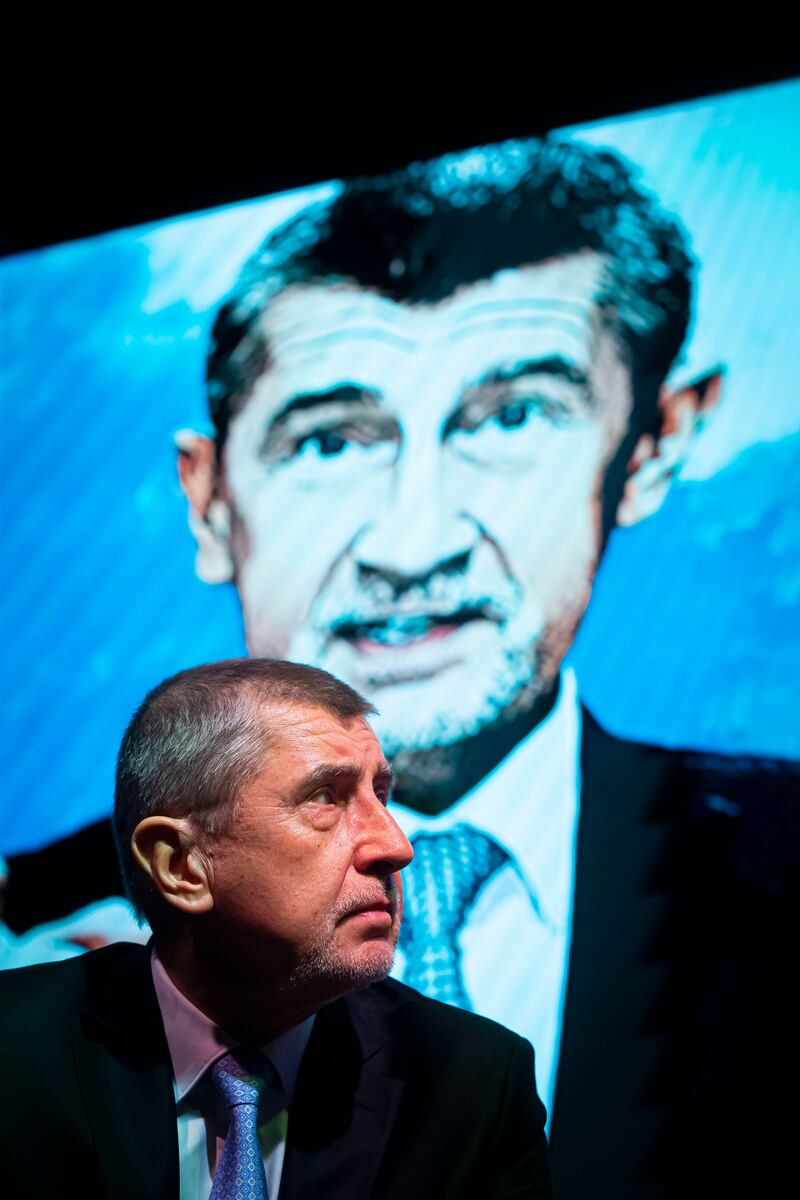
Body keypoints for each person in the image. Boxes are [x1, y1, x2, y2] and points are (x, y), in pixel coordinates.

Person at [6, 139, 782, 1196]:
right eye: (331, 440)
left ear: (646, 449)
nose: (411, 543)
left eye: (511, 418)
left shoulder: (762, 876)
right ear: (208, 498)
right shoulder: (26, 943)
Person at [0, 658, 553, 1199]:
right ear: (180, 866)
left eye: (380, 795)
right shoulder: (16, 1050)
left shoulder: (474, 1085)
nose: (397, 847)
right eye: (325, 799)